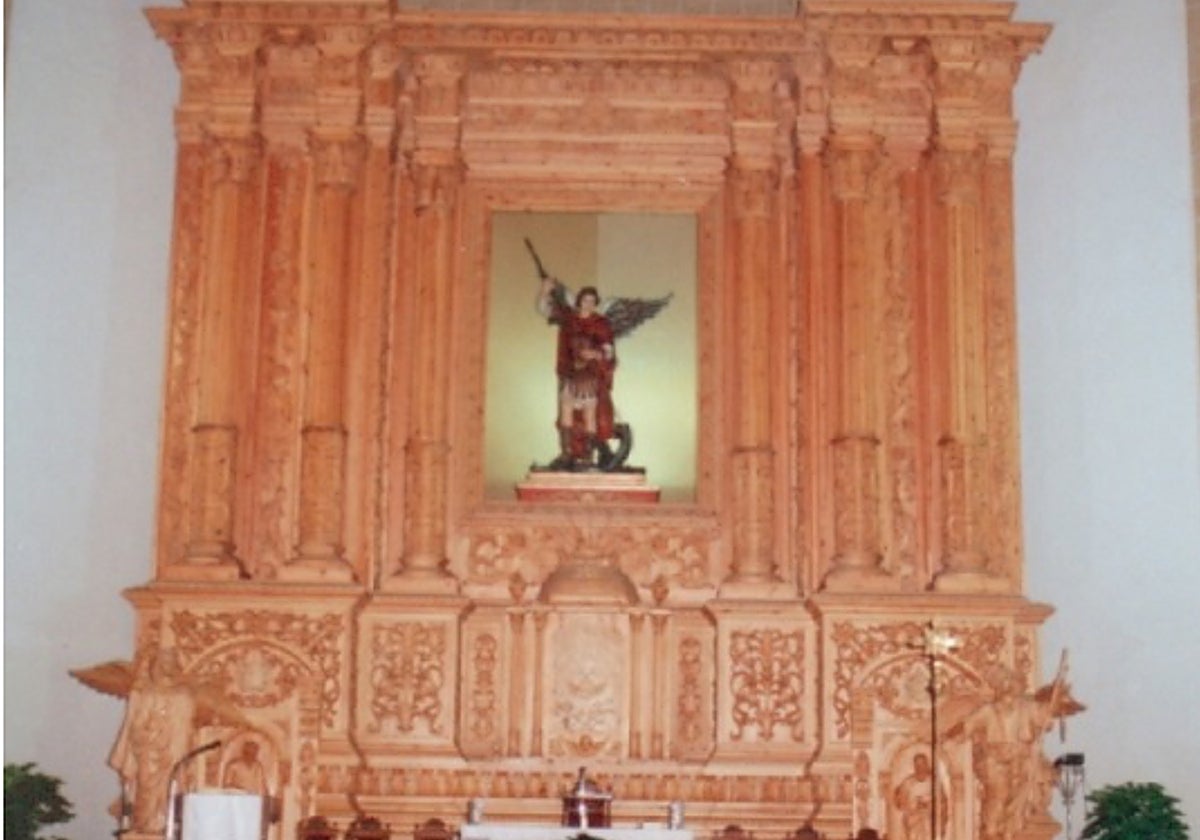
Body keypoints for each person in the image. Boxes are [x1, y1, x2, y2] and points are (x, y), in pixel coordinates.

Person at [538, 276, 617, 468]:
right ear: (579, 301)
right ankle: (567, 454)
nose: (588, 303)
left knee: (590, 415)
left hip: (589, 375)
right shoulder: (569, 318)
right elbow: (545, 310)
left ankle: (589, 456)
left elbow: (608, 349)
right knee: (566, 412)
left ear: (596, 303)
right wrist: (545, 290)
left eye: (592, 301)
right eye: (585, 299)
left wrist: (596, 353)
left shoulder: (601, 323)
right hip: (571, 374)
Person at [891, 753, 948, 840]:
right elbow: (899, 802)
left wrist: (930, 804)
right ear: (914, 766)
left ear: (926, 765)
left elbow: (943, 803)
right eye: (917, 765)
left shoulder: (935, 783)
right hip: (913, 821)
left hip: (930, 822)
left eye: (922, 764)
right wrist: (914, 805)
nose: (920, 767)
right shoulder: (908, 783)